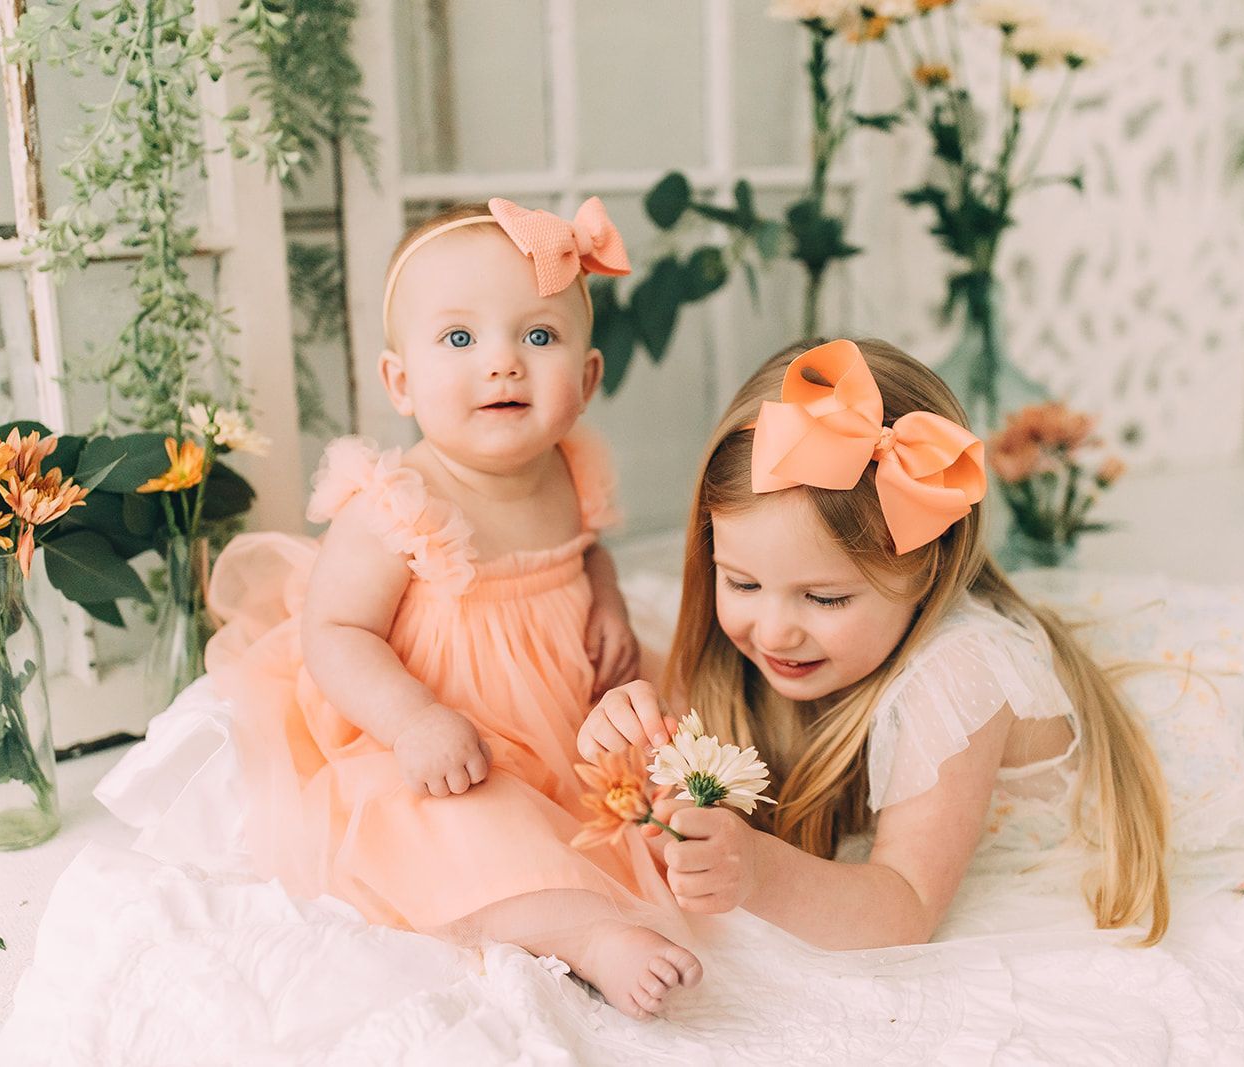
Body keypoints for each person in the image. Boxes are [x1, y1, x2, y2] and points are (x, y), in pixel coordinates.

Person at [203, 198, 700, 1020]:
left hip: (566, 717)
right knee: (461, 828)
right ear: (400, 381)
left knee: (669, 765)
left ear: (587, 379)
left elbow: (586, 549)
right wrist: (414, 721)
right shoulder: (396, 505)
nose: (502, 364)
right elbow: (337, 632)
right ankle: (590, 935)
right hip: (444, 743)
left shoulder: (570, 470)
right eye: (460, 339)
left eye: (538, 337)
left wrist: (606, 597)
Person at [580, 337, 1174, 949]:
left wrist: (760, 871)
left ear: (928, 572)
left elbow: (905, 908)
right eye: (742, 582)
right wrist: (635, 728)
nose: (775, 630)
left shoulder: (961, 678)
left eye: (826, 599)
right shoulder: (760, 643)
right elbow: (693, 739)